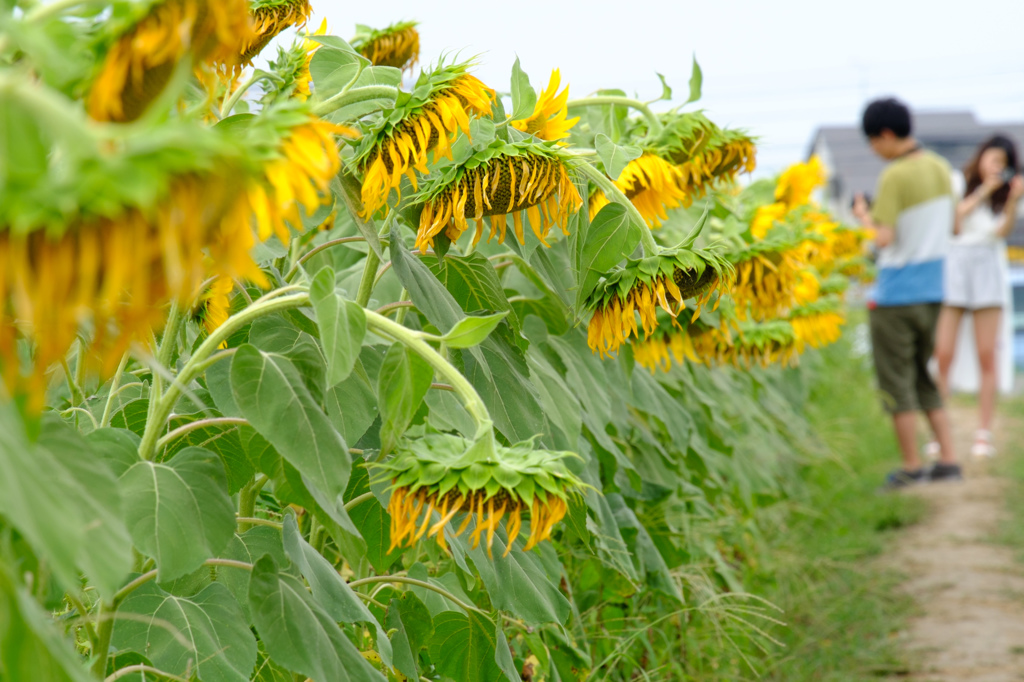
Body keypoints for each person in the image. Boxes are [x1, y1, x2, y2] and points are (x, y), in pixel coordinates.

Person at [851, 97, 962, 488]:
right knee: (923, 377)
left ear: (885, 134)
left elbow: (884, 239)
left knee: (895, 383)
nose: (873, 150)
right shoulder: (941, 168)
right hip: (934, 291)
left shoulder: (895, 176)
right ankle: (948, 461)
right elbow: (955, 227)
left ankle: (912, 466)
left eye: (872, 141)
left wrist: (863, 217)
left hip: (896, 294)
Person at [933, 136, 1024, 457]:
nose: (996, 166)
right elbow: (954, 224)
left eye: (1002, 161)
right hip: (956, 265)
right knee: (943, 353)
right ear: (981, 157)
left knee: (988, 354)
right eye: (992, 158)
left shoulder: (1007, 197)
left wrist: (1012, 200)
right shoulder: (959, 183)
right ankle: (938, 433)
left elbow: (1002, 232)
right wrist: (984, 189)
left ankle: (983, 433)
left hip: (988, 267)